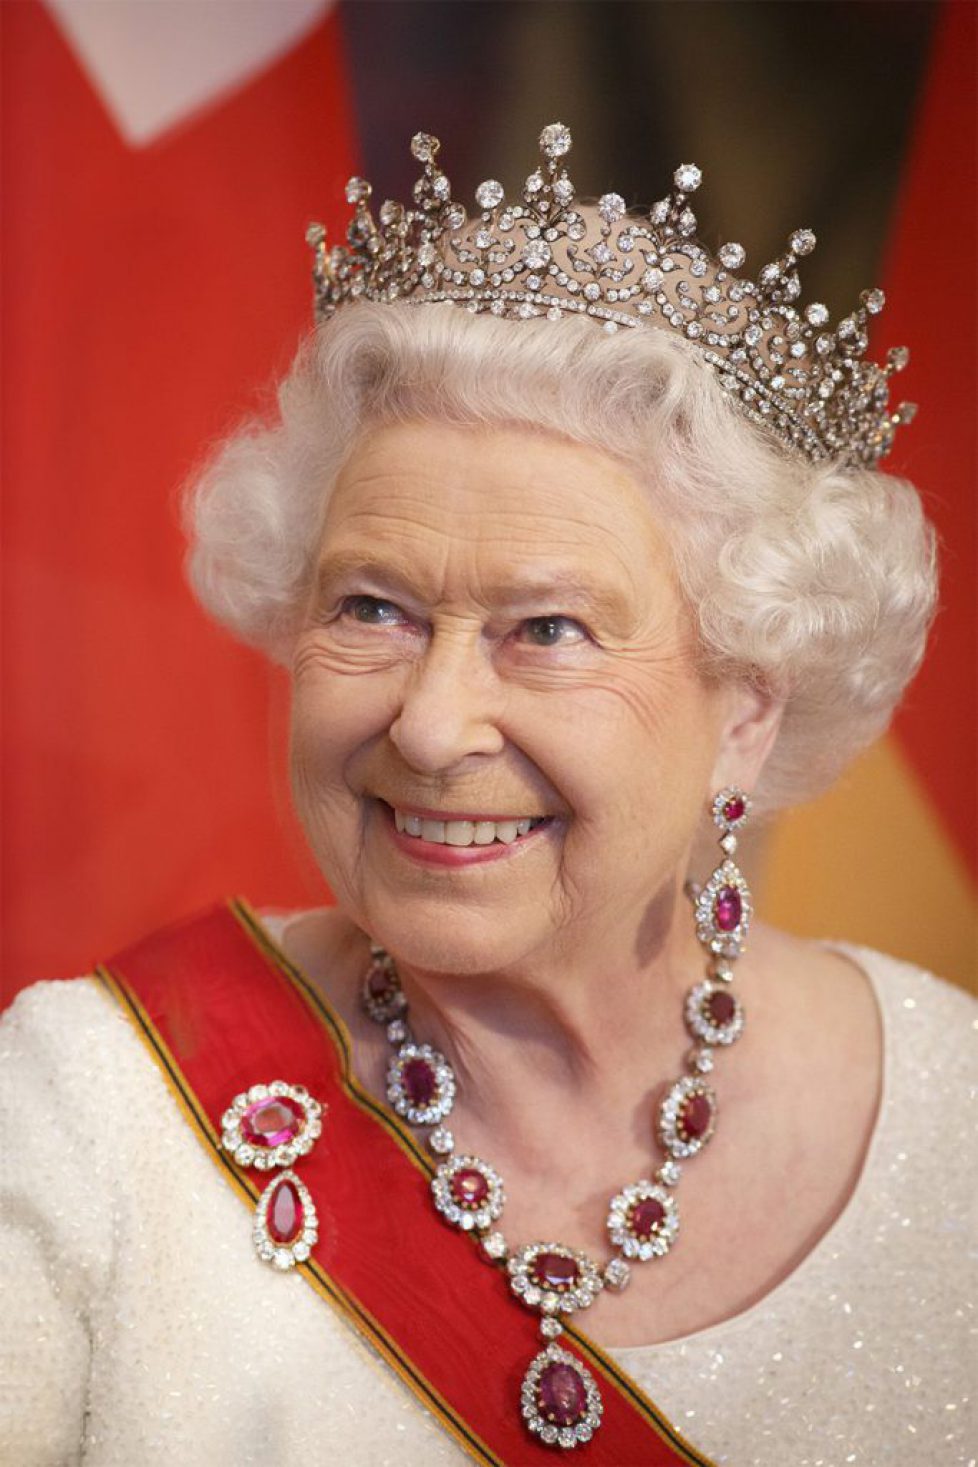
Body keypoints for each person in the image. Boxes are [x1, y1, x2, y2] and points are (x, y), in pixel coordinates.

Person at [2, 123, 973, 1466]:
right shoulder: (91, 1109)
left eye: (548, 629)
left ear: (745, 710)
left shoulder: (957, 1116)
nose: (432, 720)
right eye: (373, 608)